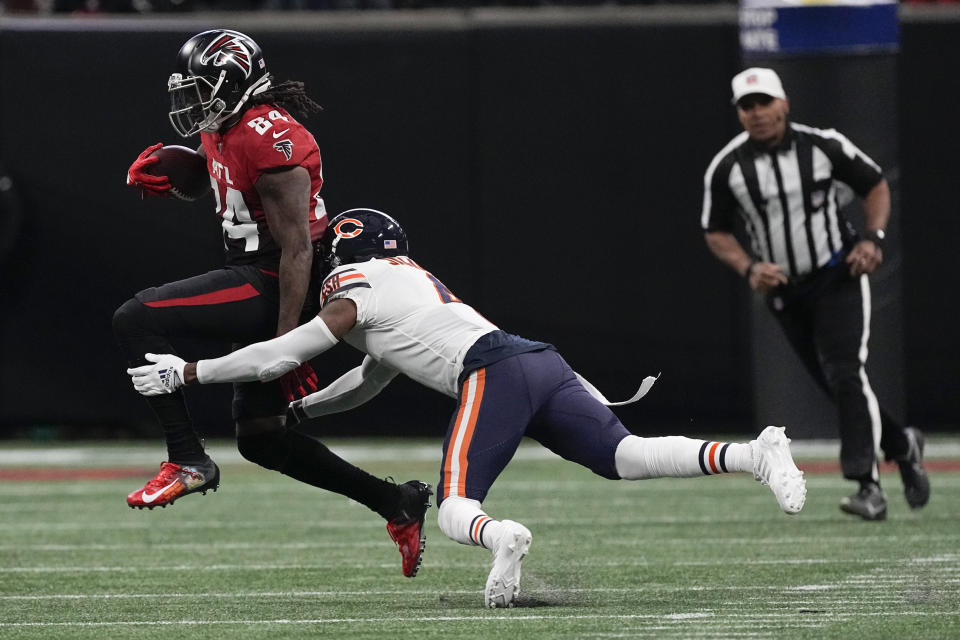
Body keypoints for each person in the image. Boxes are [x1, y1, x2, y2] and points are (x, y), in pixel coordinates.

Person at [128, 208, 808, 608]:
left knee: (455, 503)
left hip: (495, 372)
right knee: (624, 456)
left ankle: (500, 537)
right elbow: (371, 379)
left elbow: (278, 356)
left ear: (341, 251)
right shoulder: (411, 280)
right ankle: (756, 453)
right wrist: (303, 418)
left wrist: (189, 371)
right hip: (537, 358)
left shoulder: (352, 288)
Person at [117, 30, 430, 577]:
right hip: (257, 269)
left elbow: (297, 246)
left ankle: (187, 458)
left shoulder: (272, 135)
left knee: (136, 318)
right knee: (262, 440)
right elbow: (226, 186)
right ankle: (397, 503)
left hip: (277, 278)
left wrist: (288, 346)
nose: (192, 105)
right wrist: (179, 171)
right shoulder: (225, 124)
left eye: (200, 90)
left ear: (235, 83)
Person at [700, 67, 930, 521]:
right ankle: (903, 444)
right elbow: (715, 230)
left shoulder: (823, 145)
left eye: (764, 102)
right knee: (837, 385)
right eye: (747, 106)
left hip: (836, 274)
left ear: (783, 103)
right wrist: (748, 266)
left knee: (846, 373)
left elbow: (875, 184)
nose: (757, 113)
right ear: (740, 114)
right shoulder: (728, 166)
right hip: (787, 290)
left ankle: (869, 486)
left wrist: (873, 238)